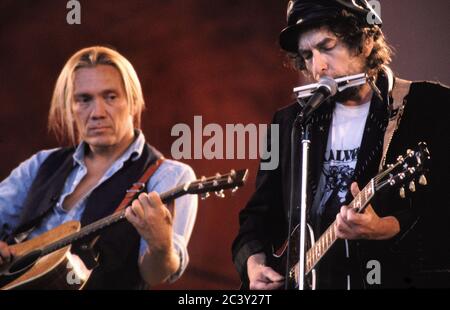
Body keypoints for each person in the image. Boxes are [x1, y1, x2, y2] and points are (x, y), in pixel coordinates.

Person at [232, 0, 450, 289]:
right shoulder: (288, 123)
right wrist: (254, 263)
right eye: (307, 55)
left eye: (327, 46)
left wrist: (386, 228)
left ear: (366, 41)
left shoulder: (431, 106)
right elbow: (258, 215)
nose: (318, 66)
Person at [0, 46, 198, 289]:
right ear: (69, 107)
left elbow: (155, 275)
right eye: (84, 99)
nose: (97, 113)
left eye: (110, 97)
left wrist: (161, 245)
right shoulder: (41, 163)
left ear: (133, 101)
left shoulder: (170, 176)